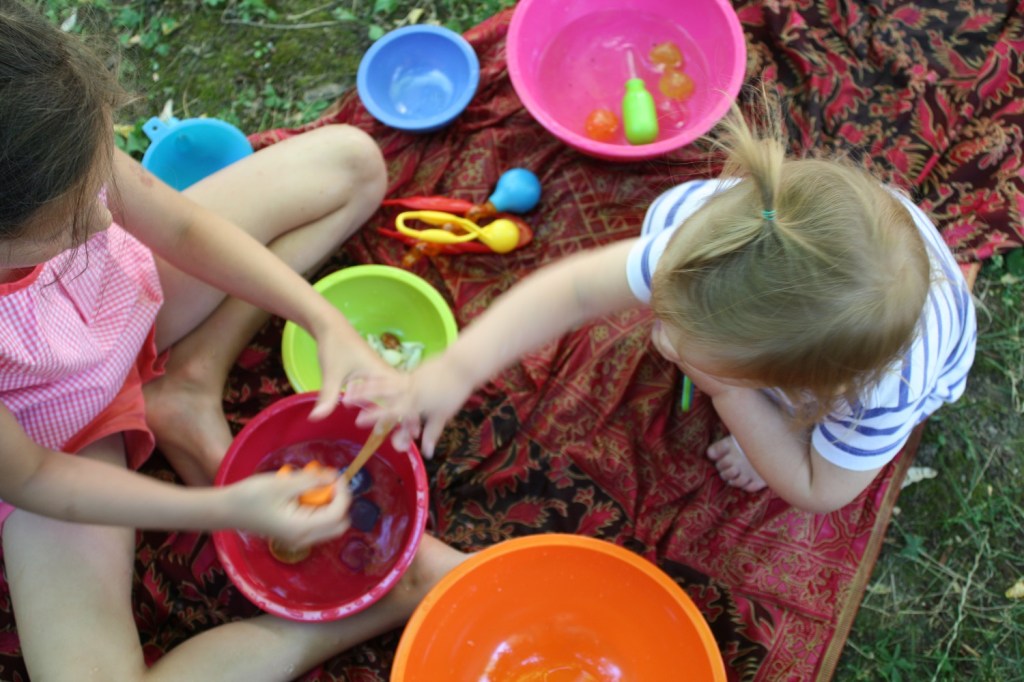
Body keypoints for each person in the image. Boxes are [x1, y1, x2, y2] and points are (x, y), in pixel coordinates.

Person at [0, 2, 467, 679]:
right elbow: (36, 479)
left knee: (353, 164)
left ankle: (188, 378)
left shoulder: (51, 128)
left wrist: (324, 321)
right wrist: (222, 507)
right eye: (71, 220)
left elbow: (182, 230)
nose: (104, 221)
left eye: (100, 181)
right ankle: (392, 594)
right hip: (59, 436)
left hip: (133, 299)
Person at [346, 97, 977, 516]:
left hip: (856, 361)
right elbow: (576, 289)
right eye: (671, 313)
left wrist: (726, 395)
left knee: (785, 449)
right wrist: (456, 368)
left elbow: (819, 488)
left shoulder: (876, 395)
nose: (663, 338)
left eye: (691, 343)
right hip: (821, 287)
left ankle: (778, 426)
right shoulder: (708, 244)